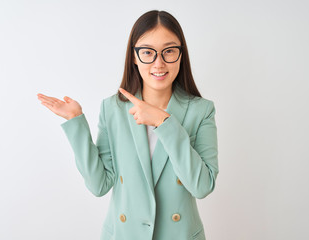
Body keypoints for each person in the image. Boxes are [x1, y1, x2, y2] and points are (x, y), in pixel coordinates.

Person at [37, 10, 218, 240]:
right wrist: (75, 123)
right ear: (134, 56)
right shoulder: (112, 108)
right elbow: (99, 185)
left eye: (169, 51)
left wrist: (164, 122)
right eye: (147, 52)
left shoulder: (202, 110)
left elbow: (202, 187)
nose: (159, 63)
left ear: (181, 55)